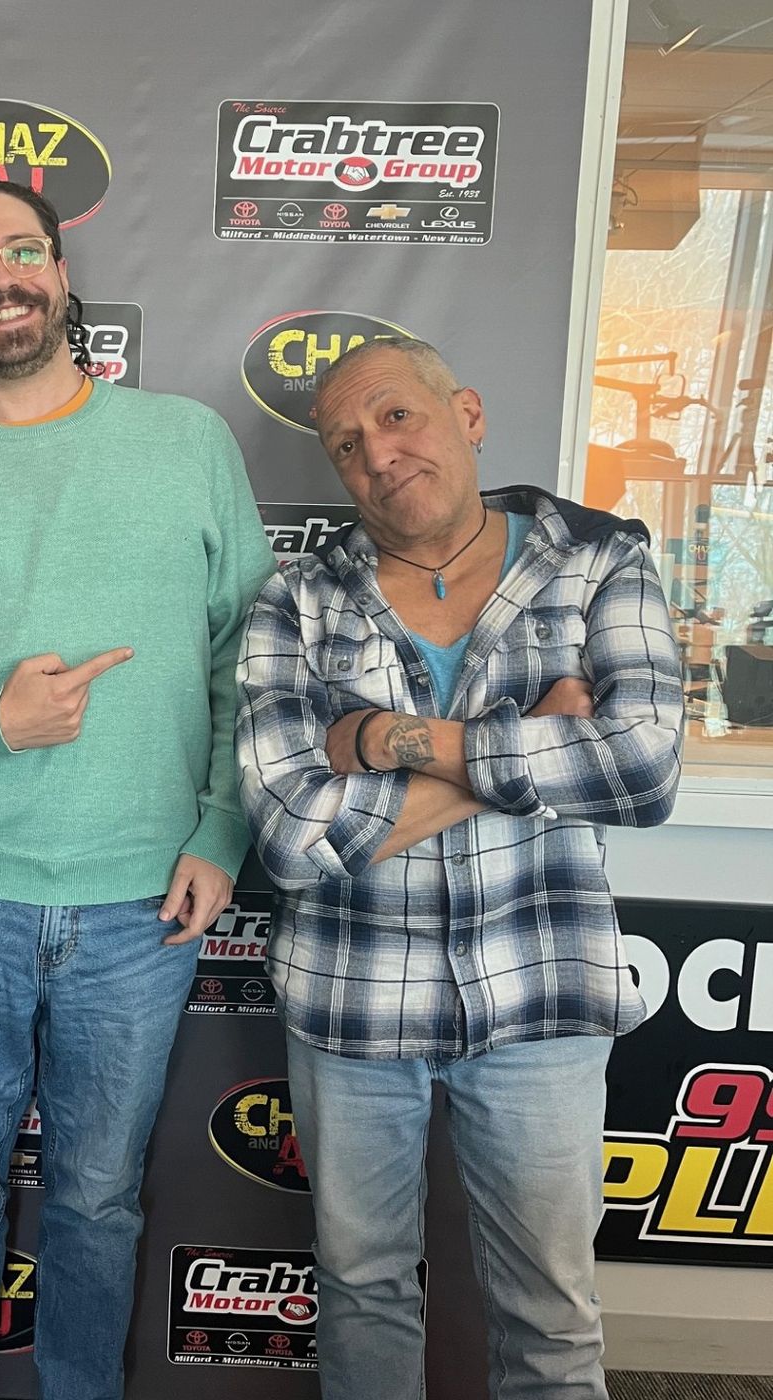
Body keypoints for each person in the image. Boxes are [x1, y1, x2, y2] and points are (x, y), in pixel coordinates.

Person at [0, 180, 275, 1398]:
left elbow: (250, 661)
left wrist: (221, 825)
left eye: (19, 251)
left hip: (141, 906)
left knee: (98, 1197)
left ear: (62, 275)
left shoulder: (185, 444)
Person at [236, 337, 683, 1399]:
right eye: (347, 444)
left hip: (540, 997)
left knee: (550, 1316)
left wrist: (381, 740)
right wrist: (531, 741)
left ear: (467, 414)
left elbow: (641, 767)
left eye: (396, 415)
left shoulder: (598, 560)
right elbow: (292, 838)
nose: (377, 454)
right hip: (352, 1003)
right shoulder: (295, 602)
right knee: (361, 1291)